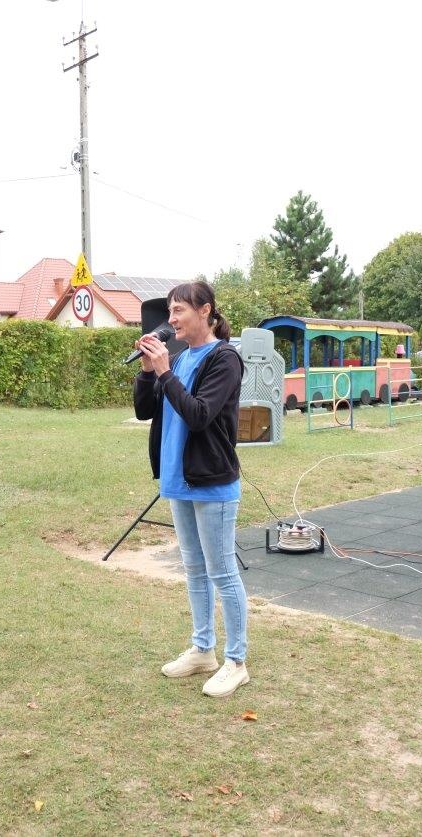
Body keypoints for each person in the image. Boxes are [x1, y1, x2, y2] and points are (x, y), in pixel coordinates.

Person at [132, 281, 249, 698]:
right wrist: (149, 371)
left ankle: (236, 661)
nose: (171, 320)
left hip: (212, 481)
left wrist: (165, 372)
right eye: (169, 311)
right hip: (178, 479)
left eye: (178, 310)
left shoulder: (225, 359)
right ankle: (203, 650)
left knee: (222, 572)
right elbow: (145, 410)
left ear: (206, 311)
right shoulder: (179, 359)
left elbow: (199, 415)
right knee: (194, 569)